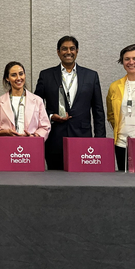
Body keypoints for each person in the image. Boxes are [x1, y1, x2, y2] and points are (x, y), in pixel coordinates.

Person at [34, 36, 106, 170]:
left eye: (72, 48)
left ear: (77, 51)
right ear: (58, 52)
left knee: (83, 181)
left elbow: (98, 111)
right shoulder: (46, 75)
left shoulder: (91, 76)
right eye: (64, 49)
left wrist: (100, 141)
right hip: (54, 139)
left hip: (83, 139)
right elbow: (35, 106)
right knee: (56, 182)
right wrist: (50, 116)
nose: (68, 52)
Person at [0, 61, 51, 140]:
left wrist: (34, 136)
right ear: (7, 78)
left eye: (21, 74)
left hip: (31, 146)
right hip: (6, 146)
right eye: (13, 75)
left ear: (24, 75)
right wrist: (5, 132)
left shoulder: (38, 101)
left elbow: (45, 127)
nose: (18, 78)